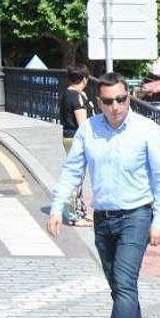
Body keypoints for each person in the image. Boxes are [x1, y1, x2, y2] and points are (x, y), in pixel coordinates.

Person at [46, 72, 160, 318]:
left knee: (125, 280)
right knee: (119, 285)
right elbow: (72, 170)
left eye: (121, 99)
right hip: (103, 218)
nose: (116, 106)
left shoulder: (147, 130)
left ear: (128, 97)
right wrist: (56, 208)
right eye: (108, 101)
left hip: (136, 215)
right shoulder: (88, 130)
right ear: (98, 102)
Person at [58, 63, 94, 228]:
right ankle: (73, 216)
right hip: (76, 140)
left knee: (77, 177)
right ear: (85, 79)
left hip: (69, 137)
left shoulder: (69, 94)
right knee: (76, 178)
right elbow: (83, 124)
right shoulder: (77, 97)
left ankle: (79, 211)